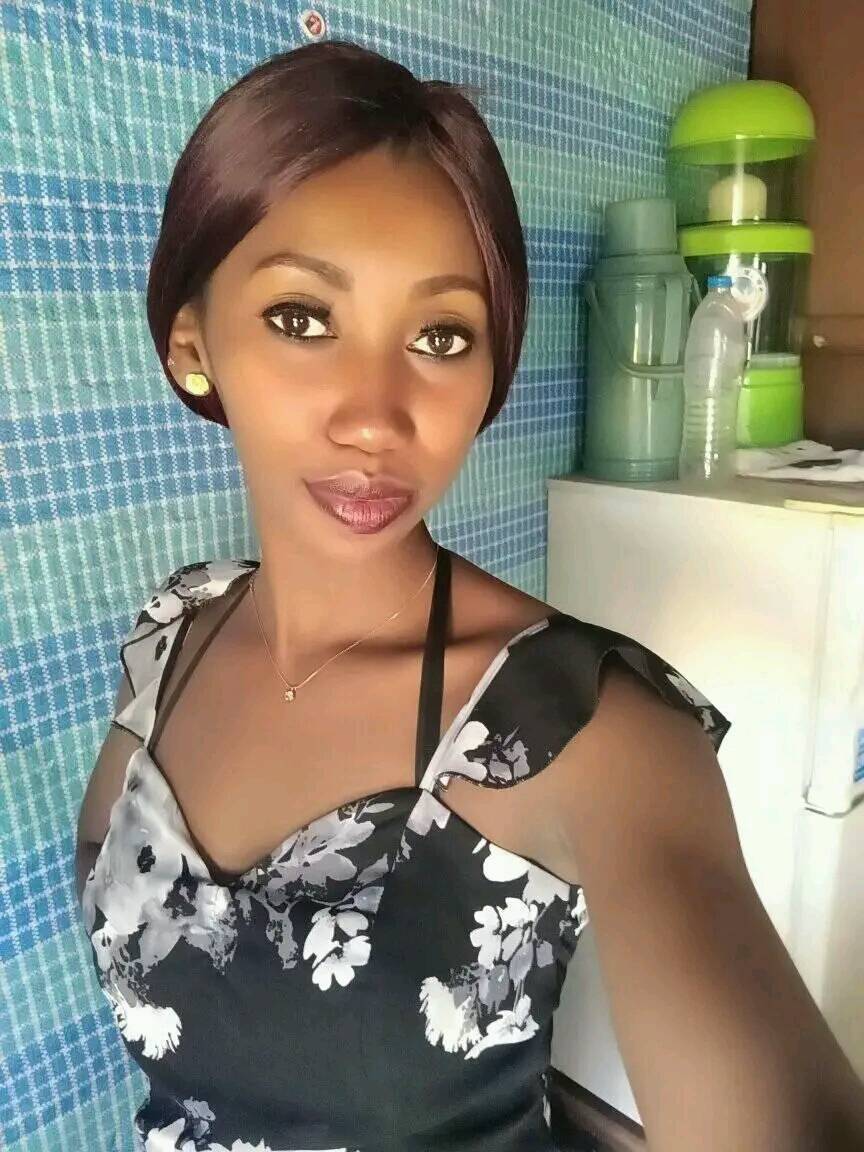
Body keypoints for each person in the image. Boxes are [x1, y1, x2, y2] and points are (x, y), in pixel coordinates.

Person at [75, 40, 864, 1152]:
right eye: (303, 317)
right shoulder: (172, 637)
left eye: (441, 336)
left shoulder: (591, 733)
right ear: (192, 342)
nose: (376, 416)